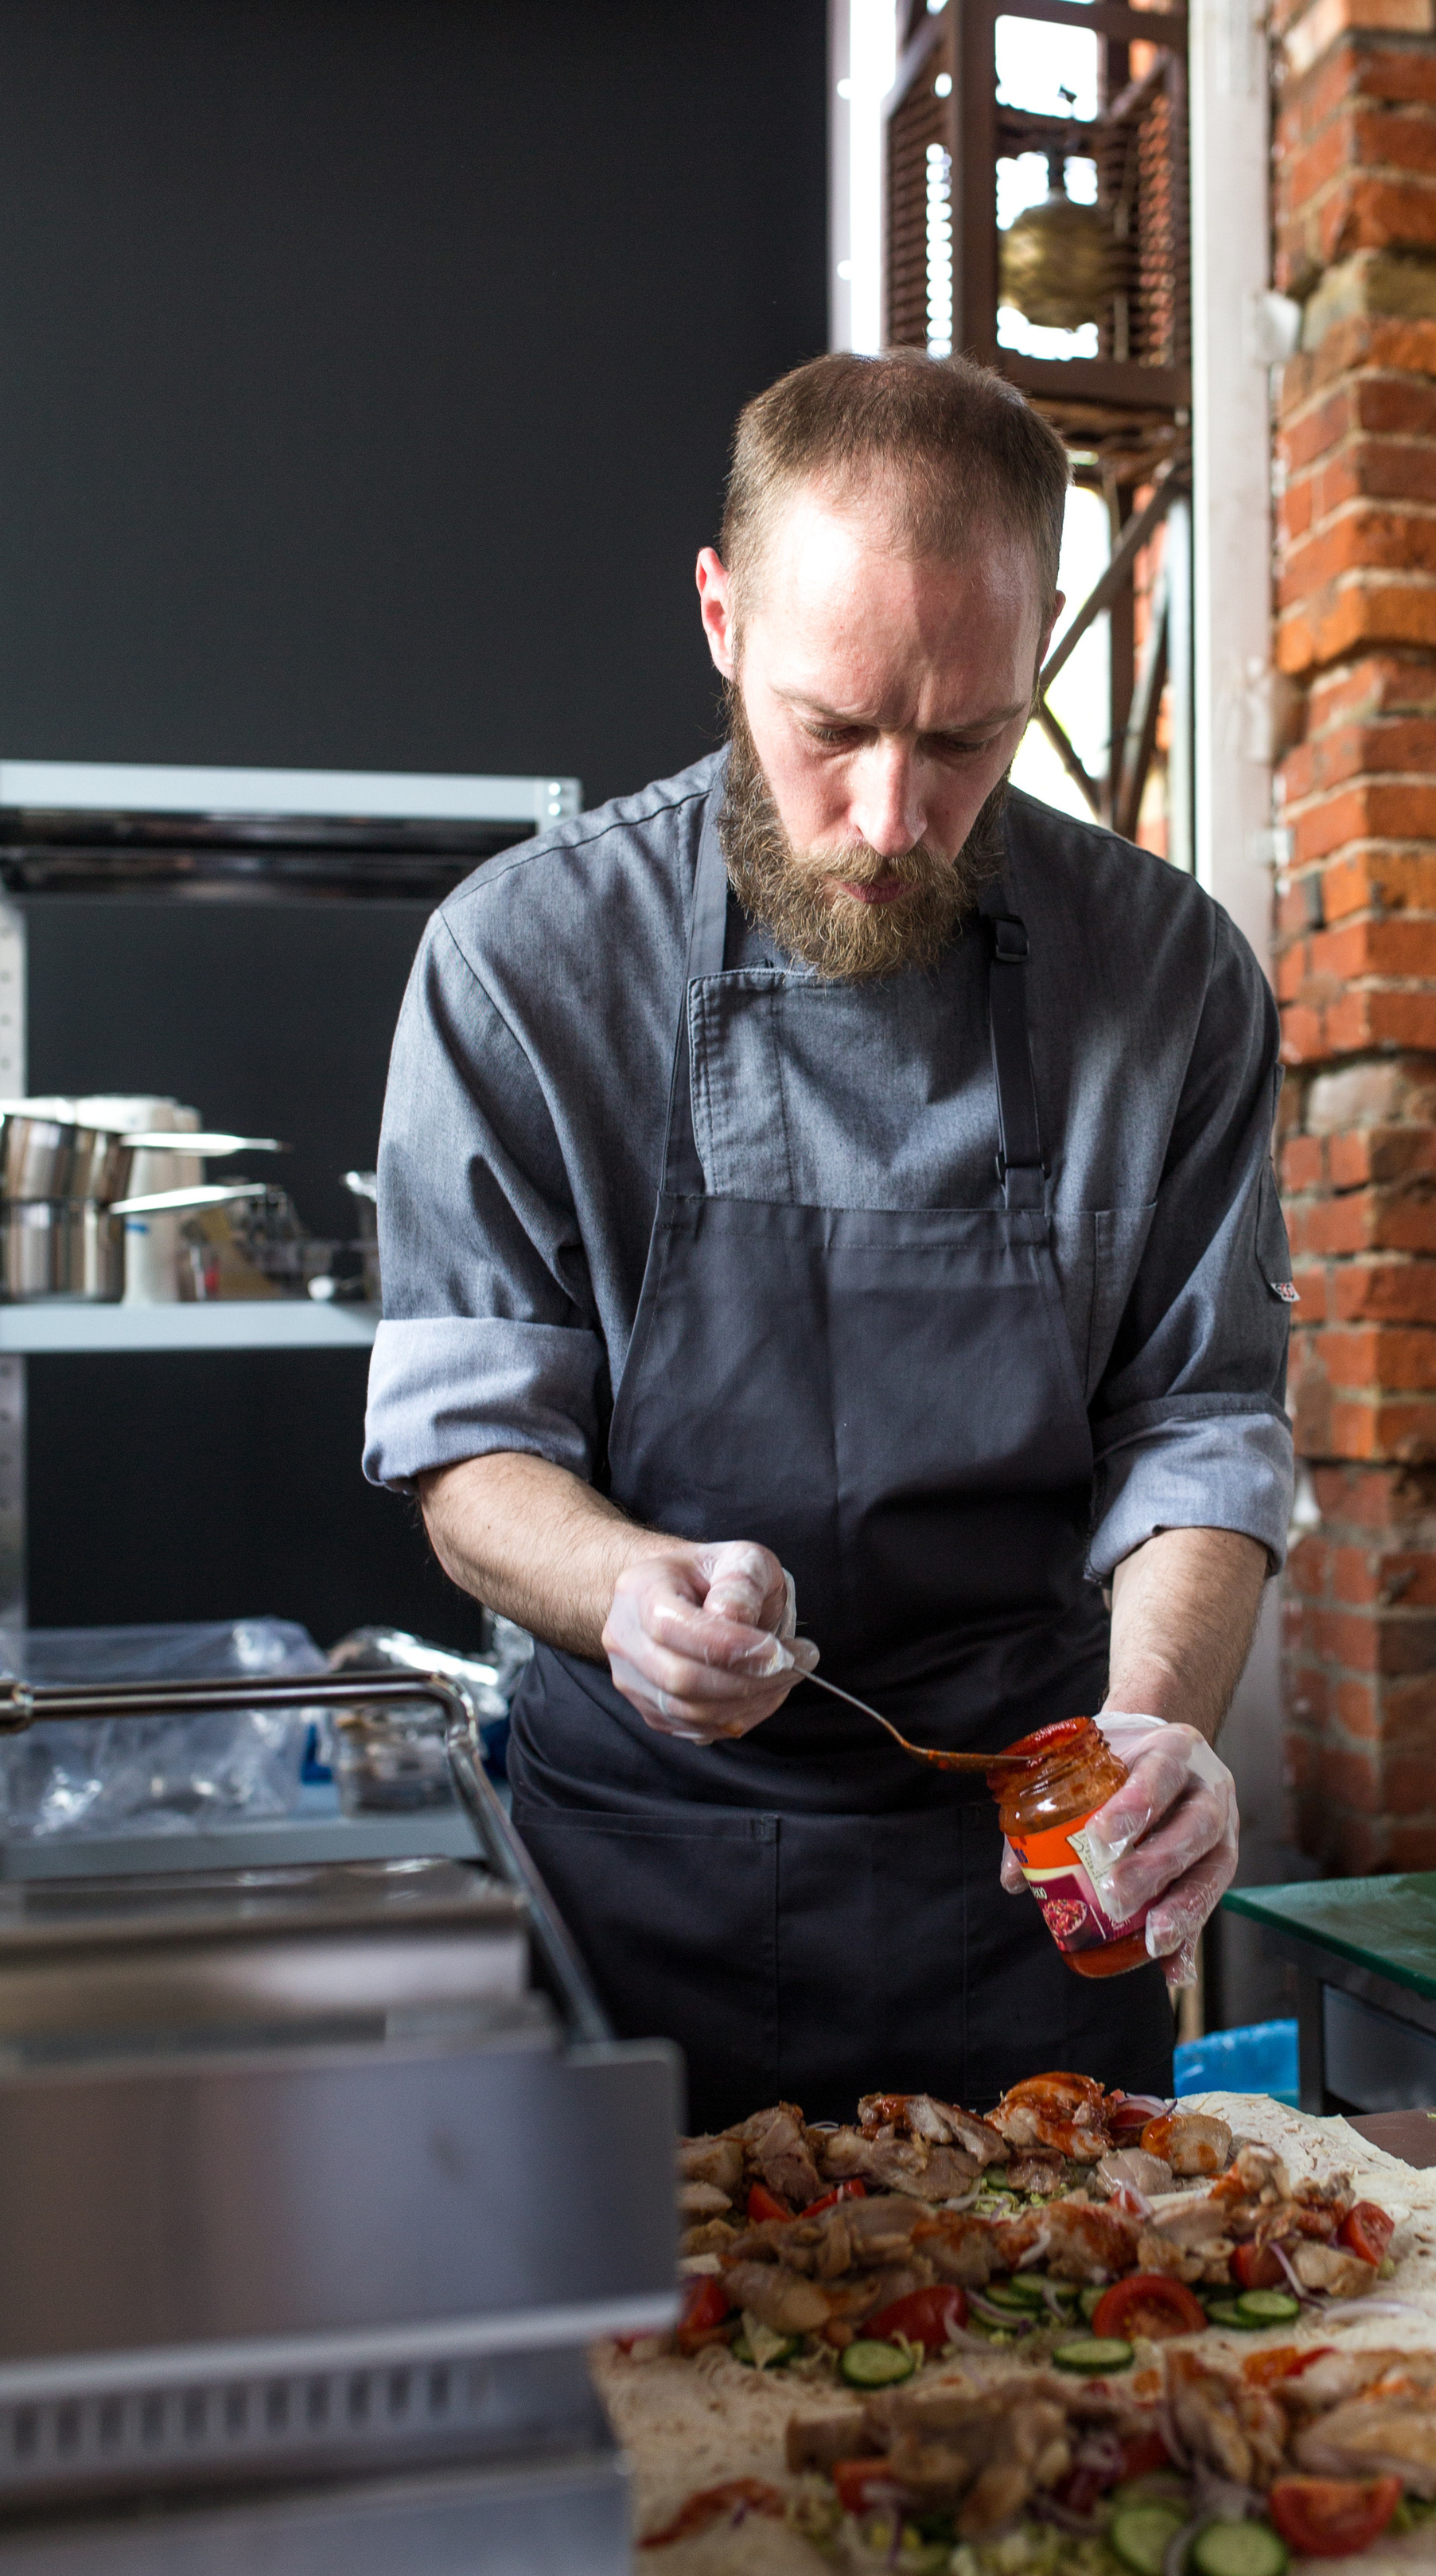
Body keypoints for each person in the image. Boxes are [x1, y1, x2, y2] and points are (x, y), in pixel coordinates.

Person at [363, 351, 1294, 2129]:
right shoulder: (520, 961)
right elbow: (469, 1448)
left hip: (1035, 1882)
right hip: (643, 1884)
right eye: (834, 729)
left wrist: (1157, 1721)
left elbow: (1199, 1425)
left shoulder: (1171, 978)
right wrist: (625, 1588)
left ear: (1038, 658)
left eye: (964, 742)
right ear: (722, 619)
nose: (891, 820)